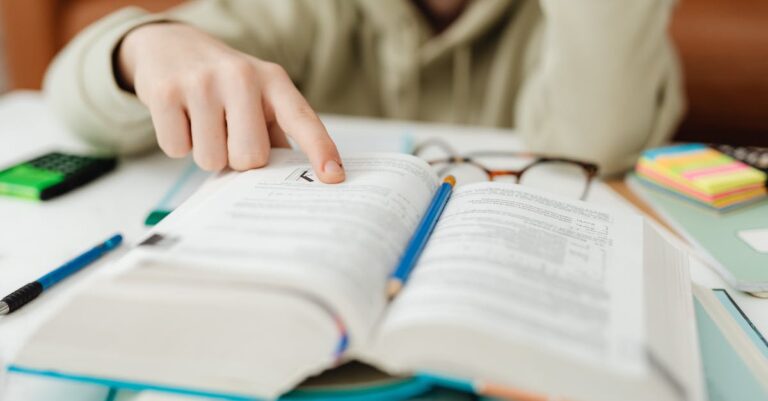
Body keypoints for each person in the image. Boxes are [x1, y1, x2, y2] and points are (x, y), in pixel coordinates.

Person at [44, 0, 684, 183]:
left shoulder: (565, 21)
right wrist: (140, 48)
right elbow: (72, 97)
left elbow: (595, 146)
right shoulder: (307, 10)